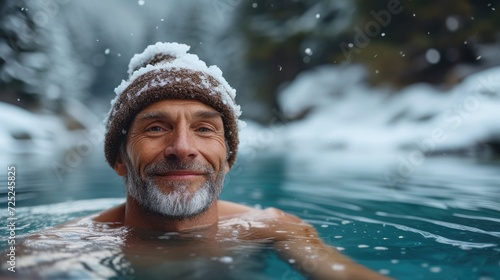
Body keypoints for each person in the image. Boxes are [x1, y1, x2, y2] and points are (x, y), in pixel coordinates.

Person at [4, 42, 390, 279]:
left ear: (227, 159)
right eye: (156, 128)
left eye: (205, 129)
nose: (183, 147)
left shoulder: (274, 229)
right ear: (119, 159)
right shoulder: (53, 249)